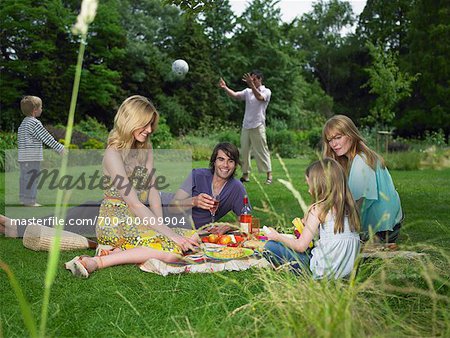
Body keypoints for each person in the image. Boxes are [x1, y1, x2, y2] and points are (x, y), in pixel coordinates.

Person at [63, 95, 199, 277]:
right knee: (171, 253)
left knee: (193, 237)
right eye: (145, 124)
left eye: (151, 124)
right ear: (130, 121)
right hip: (115, 221)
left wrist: (161, 226)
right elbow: (134, 203)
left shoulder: (146, 148)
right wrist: (170, 235)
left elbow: (152, 191)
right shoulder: (112, 154)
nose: (150, 130)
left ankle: (119, 252)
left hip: (140, 218)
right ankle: (97, 262)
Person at [263, 158, 361, 279]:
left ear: (320, 185)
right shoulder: (350, 208)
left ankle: (290, 271)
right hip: (346, 274)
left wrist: (277, 236)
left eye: (309, 184)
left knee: (270, 247)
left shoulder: (318, 209)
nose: (309, 190)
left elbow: (301, 246)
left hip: (321, 273)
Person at [322, 115, 403, 243]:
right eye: (330, 140)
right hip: (387, 227)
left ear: (351, 134)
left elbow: (356, 205)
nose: (334, 144)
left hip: (381, 232)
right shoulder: (357, 158)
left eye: (338, 137)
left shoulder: (361, 161)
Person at [163, 142, 249, 233]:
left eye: (230, 161)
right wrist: (194, 201)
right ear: (214, 161)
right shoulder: (197, 175)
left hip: (200, 234)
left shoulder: (237, 188)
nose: (225, 165)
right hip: (171, 226)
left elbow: (246, 220)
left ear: (235, 165)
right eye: (221, 159)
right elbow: (172, 207)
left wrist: (230, 226)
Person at [219, 70, 273, 184]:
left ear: (259, 79)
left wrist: (251, 85)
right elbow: (235, 95)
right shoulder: (248, 91)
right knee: (244, 151)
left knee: (262, 150)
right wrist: (225, 87)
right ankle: (245, 175)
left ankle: (269, 176)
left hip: (258, 125)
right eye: (250, 79)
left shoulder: (266, 91)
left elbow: (259, 97)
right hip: (246, 125)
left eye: (254, 79)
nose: (251, 81)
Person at [18, 96, 65, 207]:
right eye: (41, 107)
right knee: (32, 178)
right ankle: (30, 201)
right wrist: (60, 148)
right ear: (35, 110)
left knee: (24, 178)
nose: (42, 109)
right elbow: (46, 138)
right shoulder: (35, 123)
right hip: (32, 157)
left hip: (23, 157)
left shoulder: (23, 123)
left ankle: (24, 198)